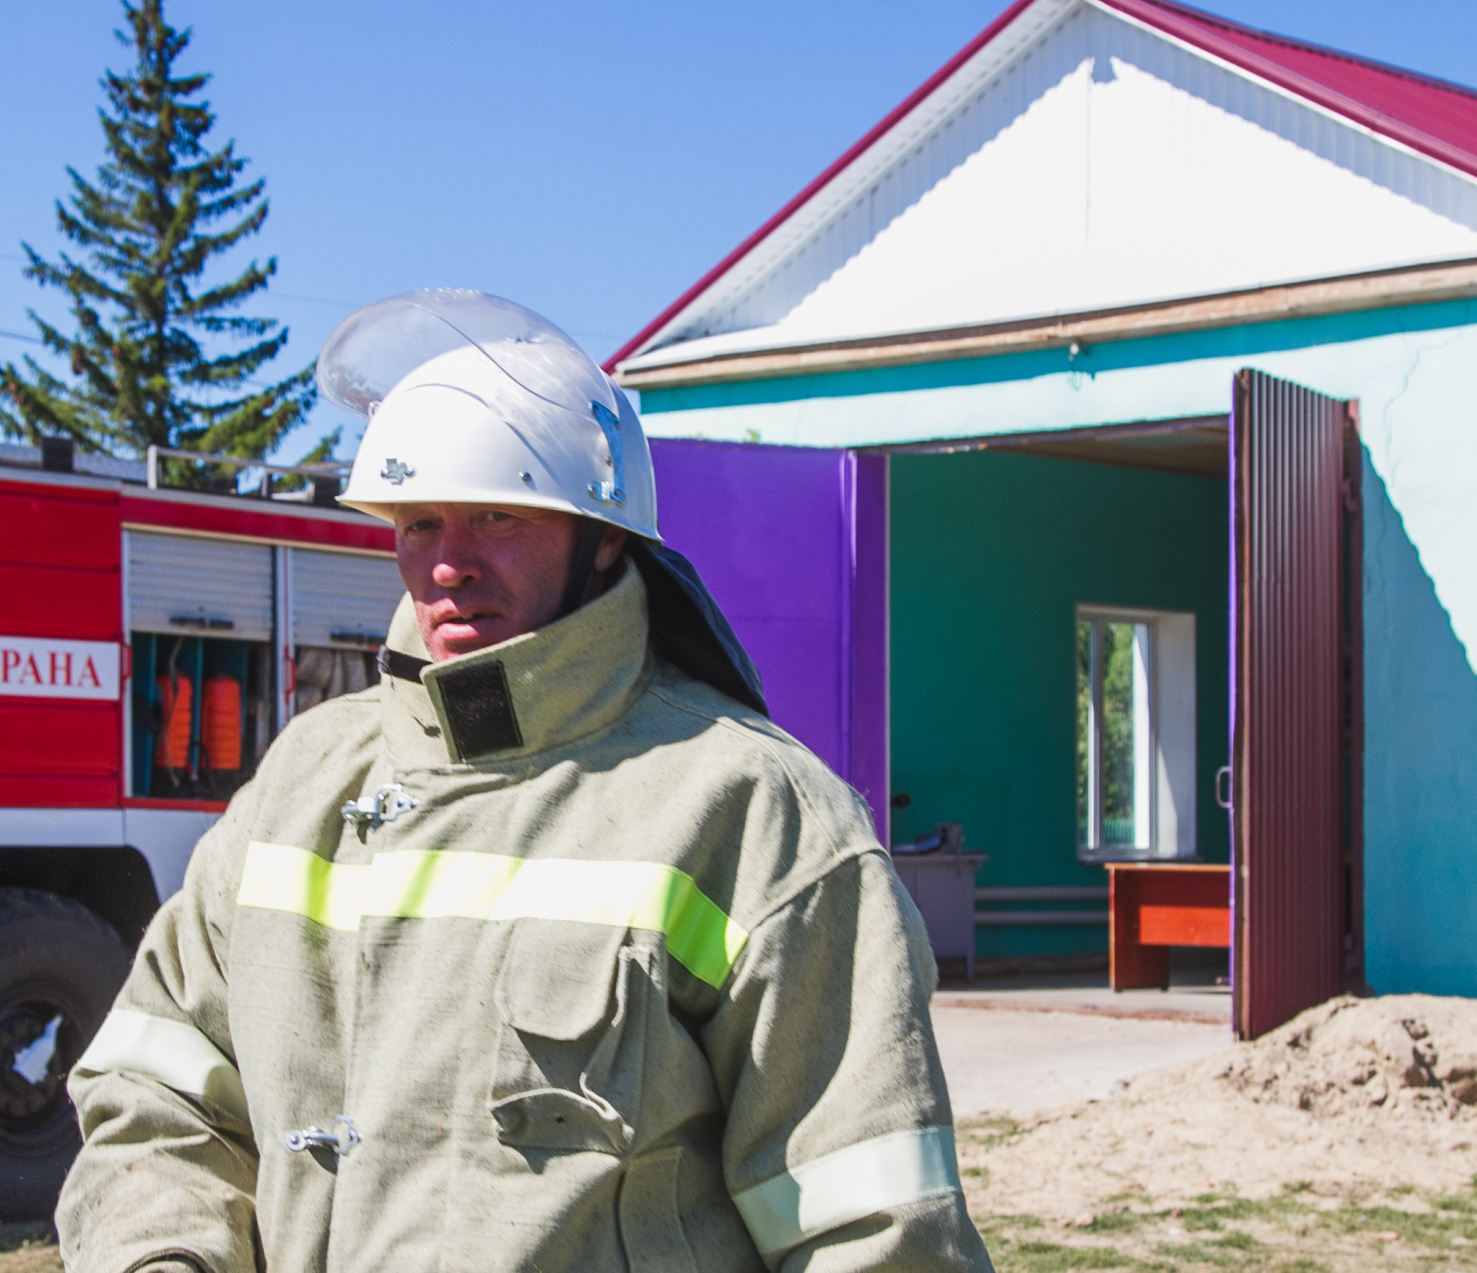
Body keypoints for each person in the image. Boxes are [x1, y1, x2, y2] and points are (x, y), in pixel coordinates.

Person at [57, 290, 993, 1272]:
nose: (448, 564)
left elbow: (874, 1234)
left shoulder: (754, 814)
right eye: (418, 522)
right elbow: (155, 1097)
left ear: (603, 540)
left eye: (495, 516)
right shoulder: (301, 784)